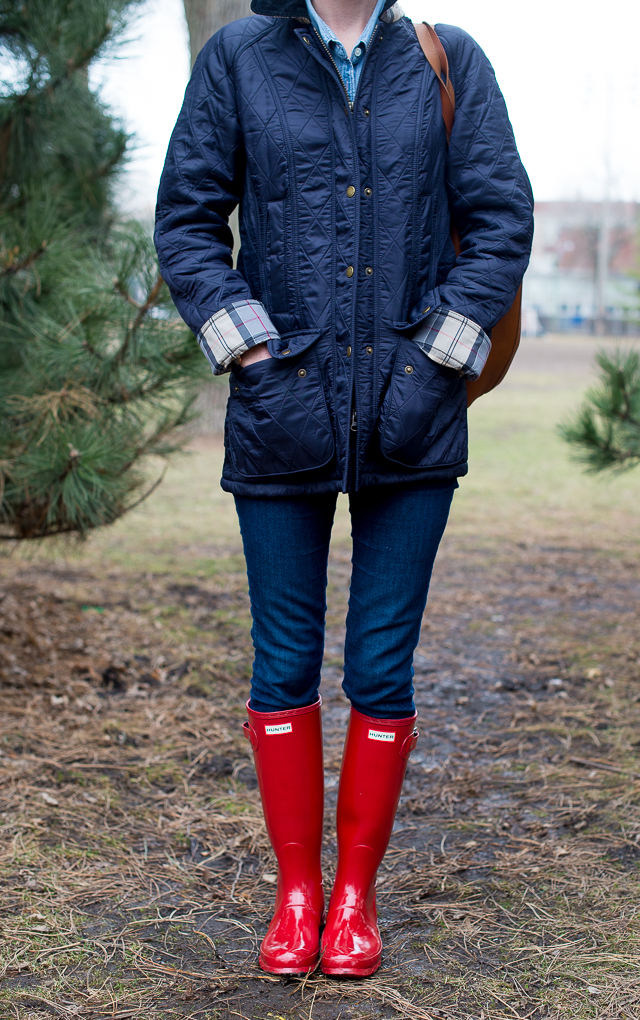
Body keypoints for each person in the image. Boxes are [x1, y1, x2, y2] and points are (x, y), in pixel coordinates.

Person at [155, 0, 533, 978]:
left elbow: (499, 219)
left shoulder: (447, 60)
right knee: (280, 663)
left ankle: (353, 899)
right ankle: (295, 897)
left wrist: (436, 360)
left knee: (381, 666)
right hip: (281, 412)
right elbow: (188, 220)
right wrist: (246, 348)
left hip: (412, 420)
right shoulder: (239, 56)